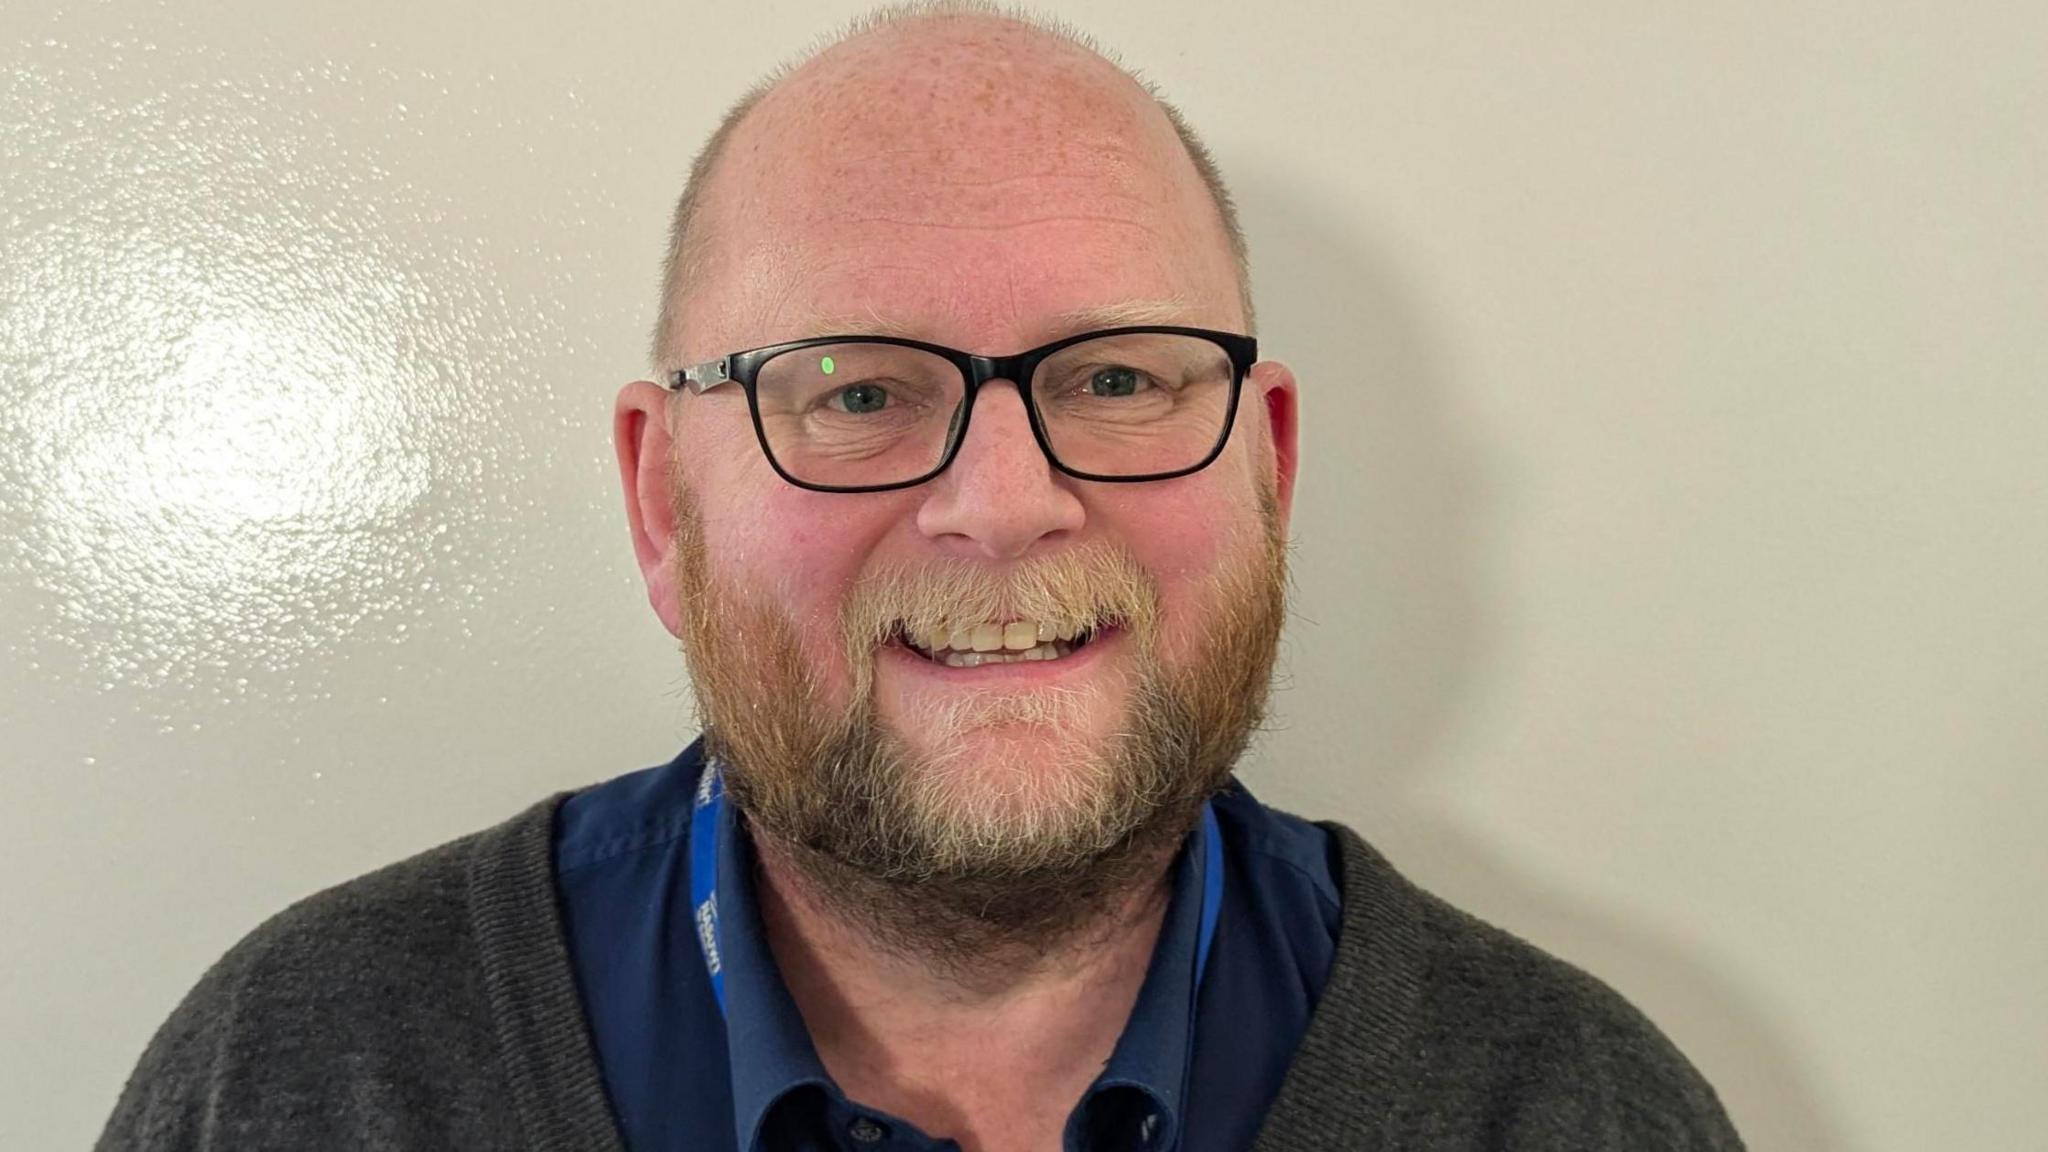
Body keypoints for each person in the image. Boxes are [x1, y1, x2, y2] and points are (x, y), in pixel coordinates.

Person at [99, 4, 1745, 1149]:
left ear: (1273, 464)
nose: (1008, 503)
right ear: (660, 497)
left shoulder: (1569, 1108)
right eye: (861, 394)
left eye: (1117, 380)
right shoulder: (306, 1079)